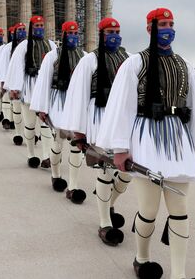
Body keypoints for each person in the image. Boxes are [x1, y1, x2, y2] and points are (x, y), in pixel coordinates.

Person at [97, 8, 195, 279]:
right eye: (162, 24)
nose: (168, 29)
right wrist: (121, 147)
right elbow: (123, 106)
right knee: (149, 209)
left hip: (178, 141)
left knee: (180, 211)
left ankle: (179, 274)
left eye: (171, 24)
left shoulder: (185, 65)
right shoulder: (136, 63)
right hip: (146, 137)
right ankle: (142, 258)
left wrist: (194, 144)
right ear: (150, 29)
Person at [61, 17, 131, 243]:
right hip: (98, 119)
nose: (115, 35)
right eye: (110, 31)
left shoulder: (127, 58)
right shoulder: (89, 60)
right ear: (101, 34)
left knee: (127, 173)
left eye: (117, 31)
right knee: (105, 170)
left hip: (120, 120)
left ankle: (109, 203)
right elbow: (79, 96)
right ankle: (104, 222)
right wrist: (79, 133)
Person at [31, 21, 87, 202]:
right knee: (58, 140)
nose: (74, 36)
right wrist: (42, 108)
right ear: (63, 35)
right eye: (70, 33)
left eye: (76, 33)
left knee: (76, 145)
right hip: (58, 101)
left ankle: (73, 185)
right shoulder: (52, 56)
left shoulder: (85, 56)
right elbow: (44, 82)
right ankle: (55, 175)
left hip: (76, 102)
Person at [5, 15, 56, 168]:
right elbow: (17, 68)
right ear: (31, 28)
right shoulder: (23, 46)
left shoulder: (52, 45)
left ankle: (47, 155)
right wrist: (15, 88)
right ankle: (31, 154)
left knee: (46, 123)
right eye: (37, 26)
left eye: (41, 26)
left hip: (45, 88)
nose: (40, 28)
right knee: (30, 124)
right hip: (30, 87)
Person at [0, 22, 28, 145]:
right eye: (20, 29)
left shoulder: (30, 45)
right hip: (12, 78)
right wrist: (3, 81)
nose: (22, 32)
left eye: (24, 29)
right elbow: (3, 65)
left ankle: (26, 130)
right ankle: (10, 122)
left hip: (27, 80)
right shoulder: (8, 48)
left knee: (25, 108)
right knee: (15, 105)